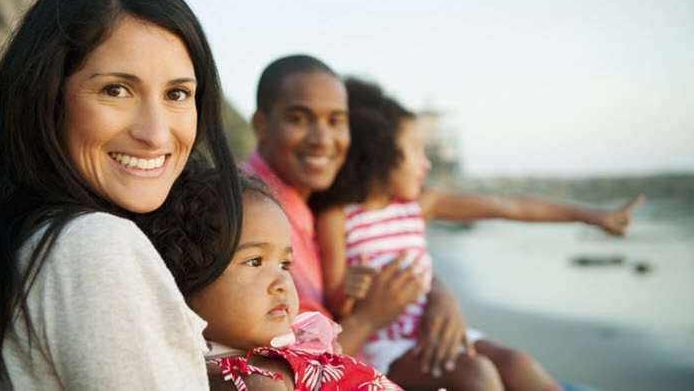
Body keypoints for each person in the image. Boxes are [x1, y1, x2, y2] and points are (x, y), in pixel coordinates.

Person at [0, 0, 242, 390]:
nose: (156, 134)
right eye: (116, 90)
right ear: (46, 97)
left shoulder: (27, 235)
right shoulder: (96, 247)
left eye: (177, 94)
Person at [310, 77, 644, 391]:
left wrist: (591, 216)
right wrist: (351, 289)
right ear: (381, 155)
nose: (425, 164)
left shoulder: (421, 205)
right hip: (386, 348)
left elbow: (506, 206)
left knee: (518, 363)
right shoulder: (337, 217)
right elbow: (337, 300)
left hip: (437, 332)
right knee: (476, 374)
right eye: (416, 151)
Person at [138, 165, 403, 390]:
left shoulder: (288, 345)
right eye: (254, 261)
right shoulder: (250, 381)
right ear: (184, 279)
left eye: (284, 264)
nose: (282, 283)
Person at [242, 55, 426, 365]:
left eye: (335, 121)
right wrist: (369, 319)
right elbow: (293, 369)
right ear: (262, 125)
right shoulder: (254, 213)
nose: (322, 140)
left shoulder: (312, 200)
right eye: (299, 119)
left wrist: (438, 300)